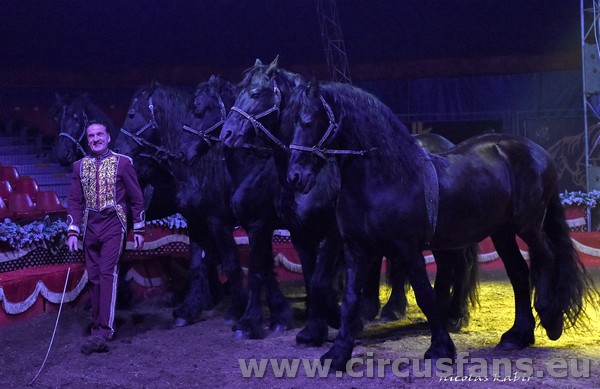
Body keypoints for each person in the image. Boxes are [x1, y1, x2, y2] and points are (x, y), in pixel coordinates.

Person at [66, 119, 146, 355]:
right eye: (91, 136)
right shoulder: (79, 166)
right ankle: (97, 323)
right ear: (87, 140)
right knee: (94, 276)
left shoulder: (123, 164)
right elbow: (74, 200)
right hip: (90, 225)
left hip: (114, 223)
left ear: (109, 137)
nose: (95, 139)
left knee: (107, 272)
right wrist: (72, 231)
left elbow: (136, 198)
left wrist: (139, 229)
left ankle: (104, 329)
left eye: (100, 134)